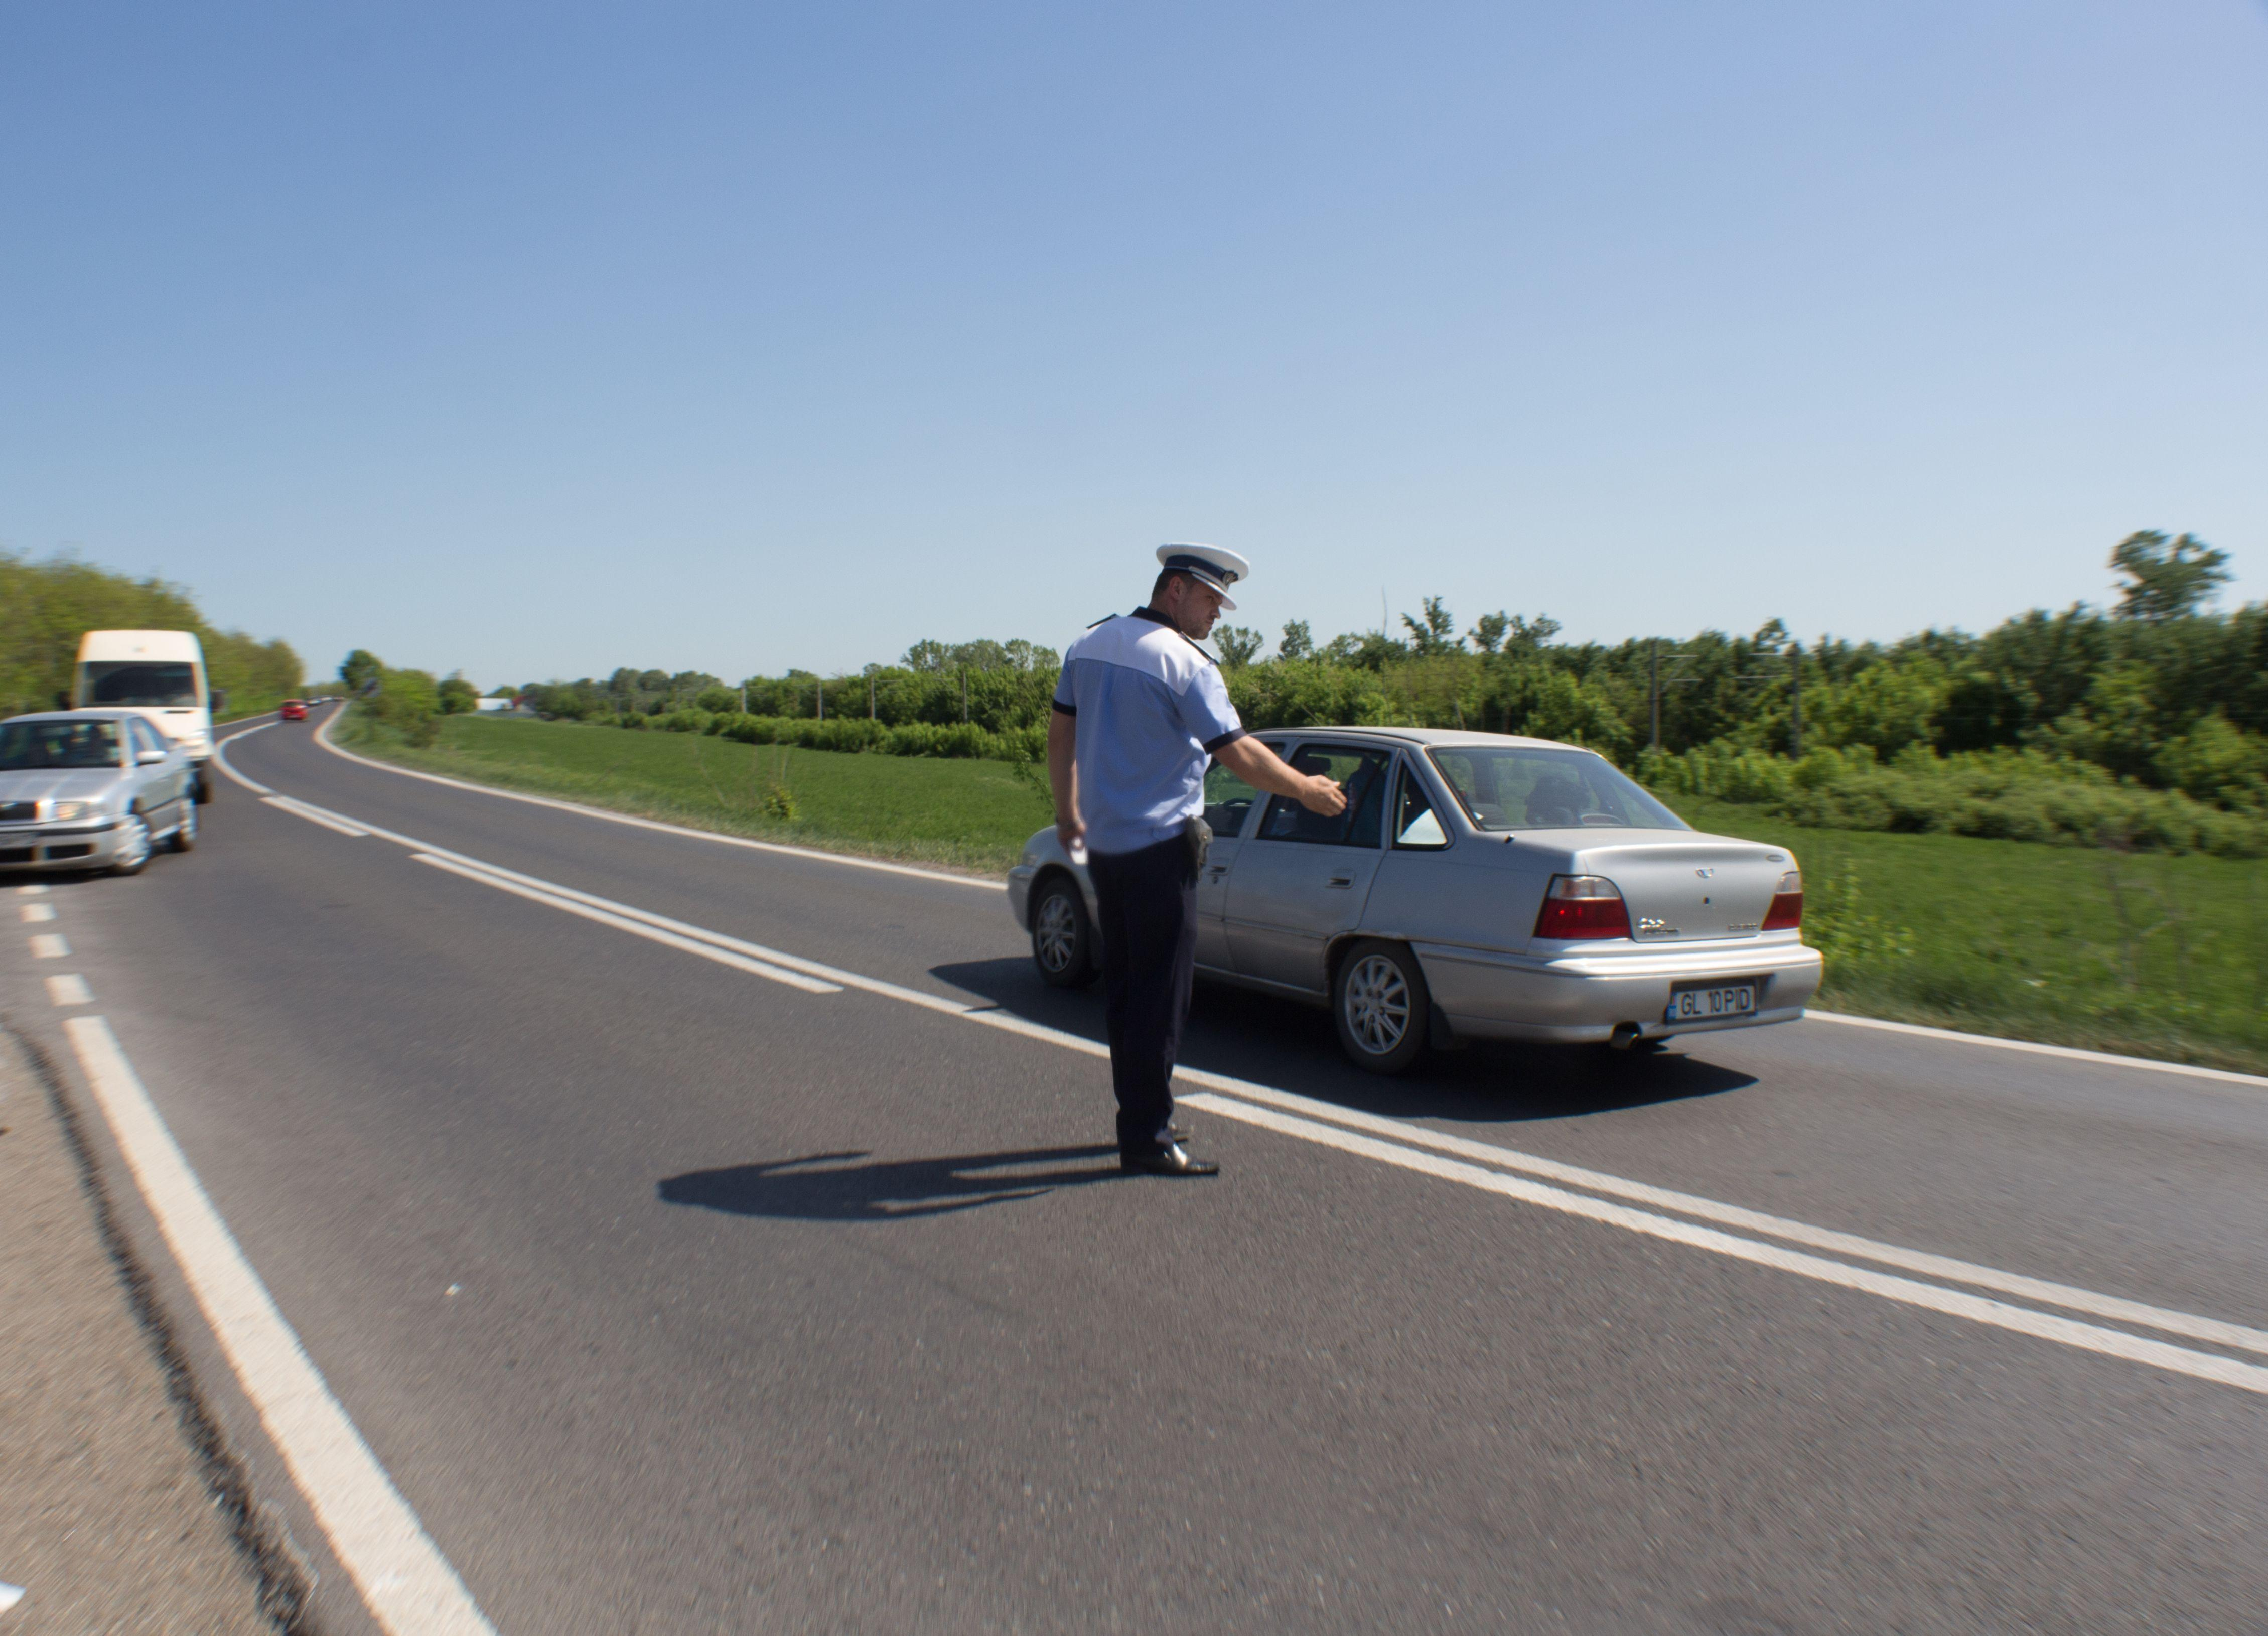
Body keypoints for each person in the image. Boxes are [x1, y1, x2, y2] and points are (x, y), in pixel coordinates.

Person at [1048, 544, 1348, 1177]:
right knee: (1162, 997)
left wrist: (1067, 811)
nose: (1217, 614)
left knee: (1127, 991)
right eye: (1212, 599)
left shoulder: (1090, 643)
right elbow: (1237, 752)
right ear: (1176, 589)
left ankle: (1137, 1115)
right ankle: (1148, 1137)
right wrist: (1305, 788)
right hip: (1160, 850)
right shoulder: (1184, 663)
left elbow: (1061, 734)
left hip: (1103, 846)